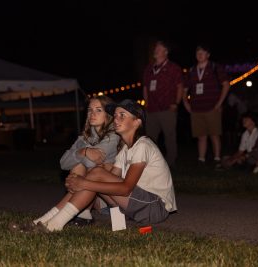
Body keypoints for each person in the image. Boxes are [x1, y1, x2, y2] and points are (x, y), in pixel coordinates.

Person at [26, 99, 177, 232]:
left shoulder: (143, 145)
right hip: (138, 208)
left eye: (122, 115)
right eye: (116, 115)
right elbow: (111, 179)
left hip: (156, 207)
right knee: (97, 174)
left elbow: (125, 188)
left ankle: (54, 225)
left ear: (137, 122)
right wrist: (81, 181)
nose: (116, 119)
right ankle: (42, 221)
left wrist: (84, 182)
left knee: (95, 175)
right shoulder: (125, 150)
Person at [15, 95, 120, 230]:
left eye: (98, 110)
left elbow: (91, 165)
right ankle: (55, 220)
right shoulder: (84, 138)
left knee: (88, 168)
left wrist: (80, 154)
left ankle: (51, 223)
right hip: (91, 195)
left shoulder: (114, 137)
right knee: (78, 165)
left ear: (108, 114)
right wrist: (83, 152)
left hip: (113, 202)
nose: (92, 114)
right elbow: (63, 163)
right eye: (90, 110)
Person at [183, 44, 230, 164]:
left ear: (208, 55)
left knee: (214, 134)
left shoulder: (215, 67)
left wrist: (219, 104)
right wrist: (186, 103)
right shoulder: (192, 70)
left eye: (203, 52)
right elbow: (185, 89)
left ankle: (217, 159)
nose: (199, 55)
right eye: (198, 52)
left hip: (212, 107)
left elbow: (226, 84)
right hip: (196, 109)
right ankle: (201, 159)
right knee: (201, 136)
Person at [143, 40, 184, 168]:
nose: (156, 50)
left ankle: (171, 162)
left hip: (168, 108)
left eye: (159, 48)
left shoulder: (174, 68)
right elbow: (145, 88)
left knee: (169, 136)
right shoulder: (149, 68)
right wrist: (146, 104)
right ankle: (151, 163)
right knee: (150, 138)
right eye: (156, 48)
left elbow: (180, 86)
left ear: (165, 52)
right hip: (152, 109)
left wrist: (176, 103)